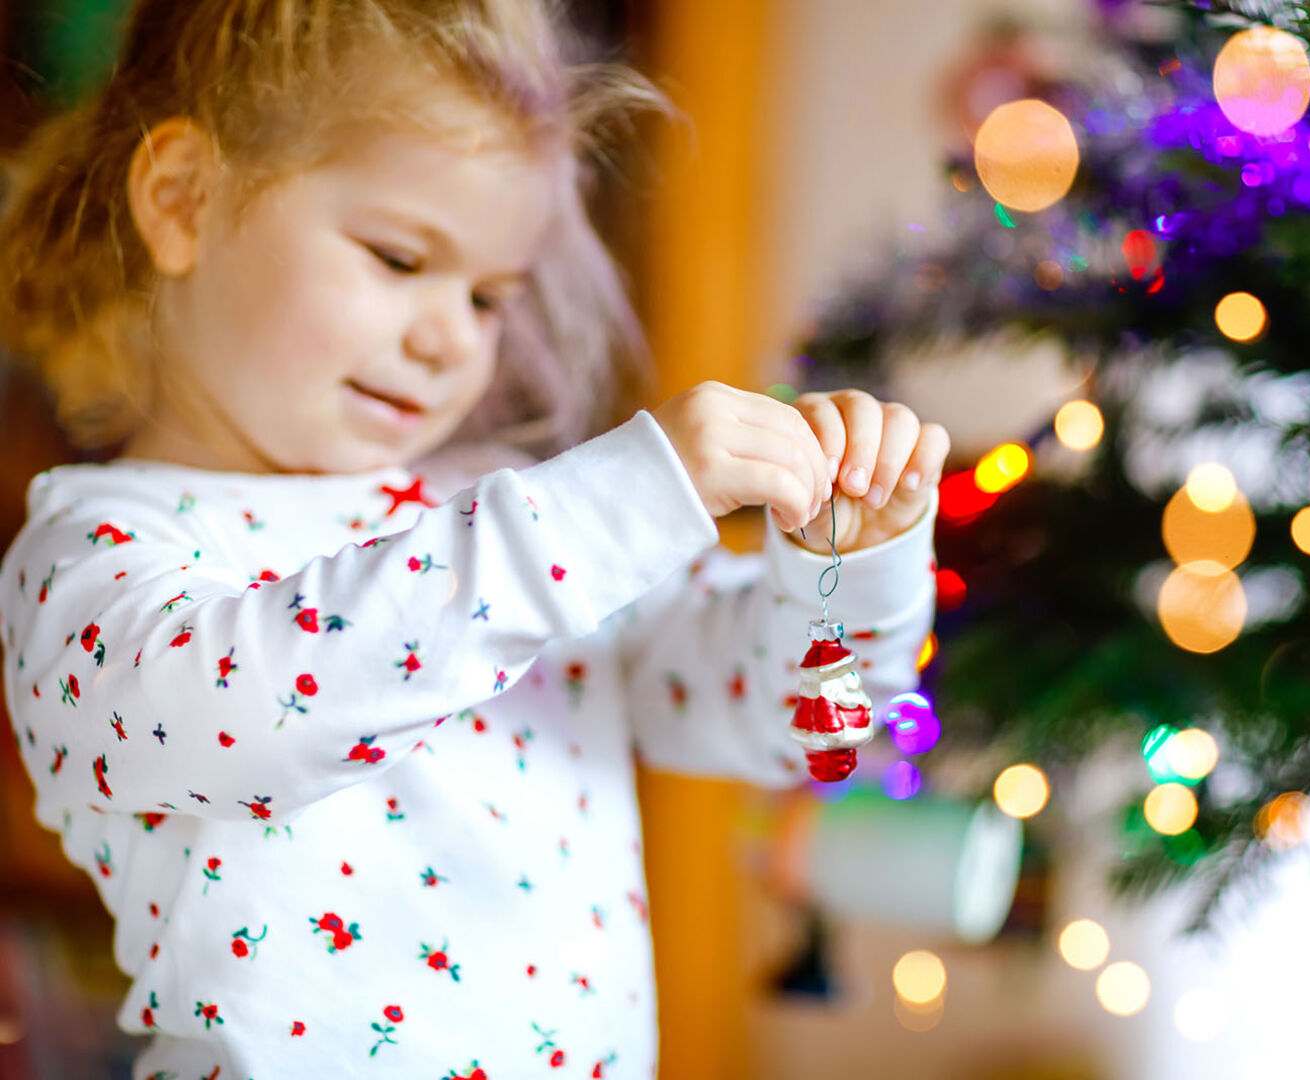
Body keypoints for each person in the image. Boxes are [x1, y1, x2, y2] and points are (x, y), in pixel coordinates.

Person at [0, 1, 945, 1076]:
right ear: (184, 200)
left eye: (491, 297)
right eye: (400, 258)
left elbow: (803, 728)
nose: (452, 337)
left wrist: (849, 566)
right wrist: (614, 508)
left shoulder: (512, 520)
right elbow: (248, 716)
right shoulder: (92, 552)